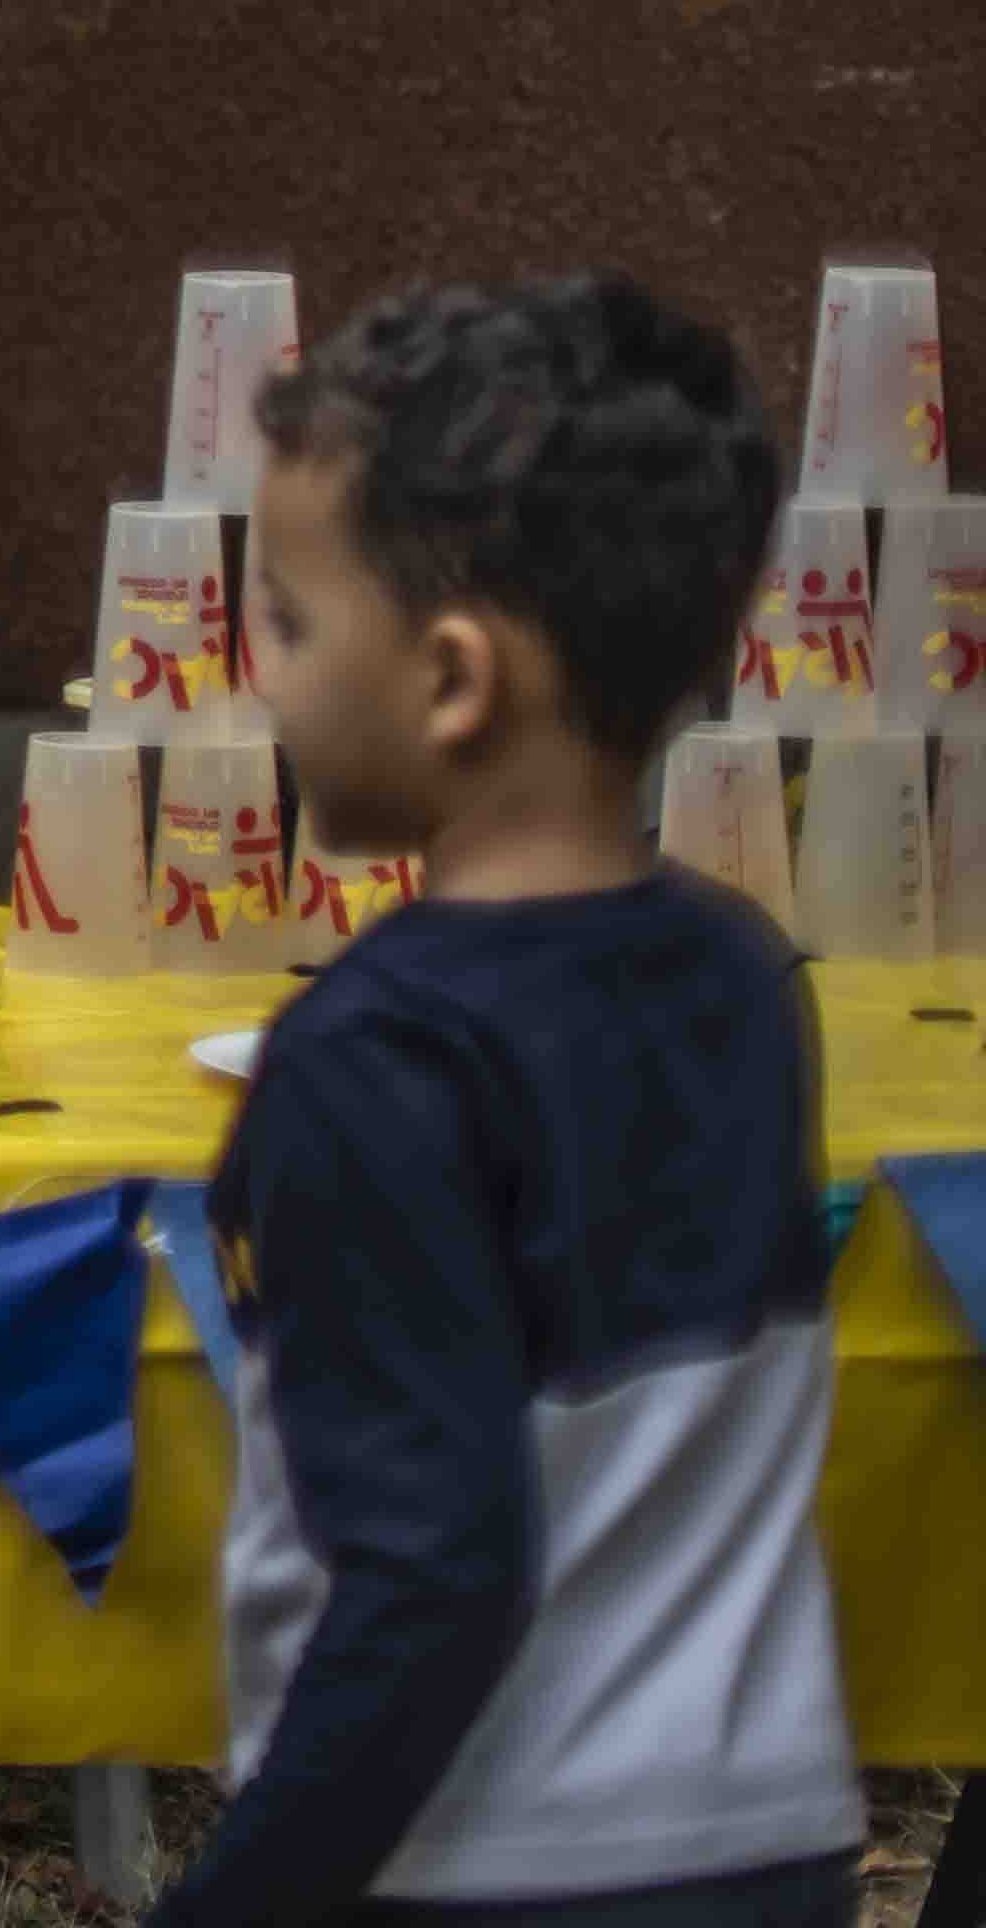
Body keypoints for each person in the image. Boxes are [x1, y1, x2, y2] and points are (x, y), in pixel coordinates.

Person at [158, 279, 852, 1928]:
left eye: (292, 623)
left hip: (479, 1873)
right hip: (769, 1845)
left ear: (453, 679)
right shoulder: (747, 975)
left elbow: (430, 1577)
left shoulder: (371, 1060)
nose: (262, 675)